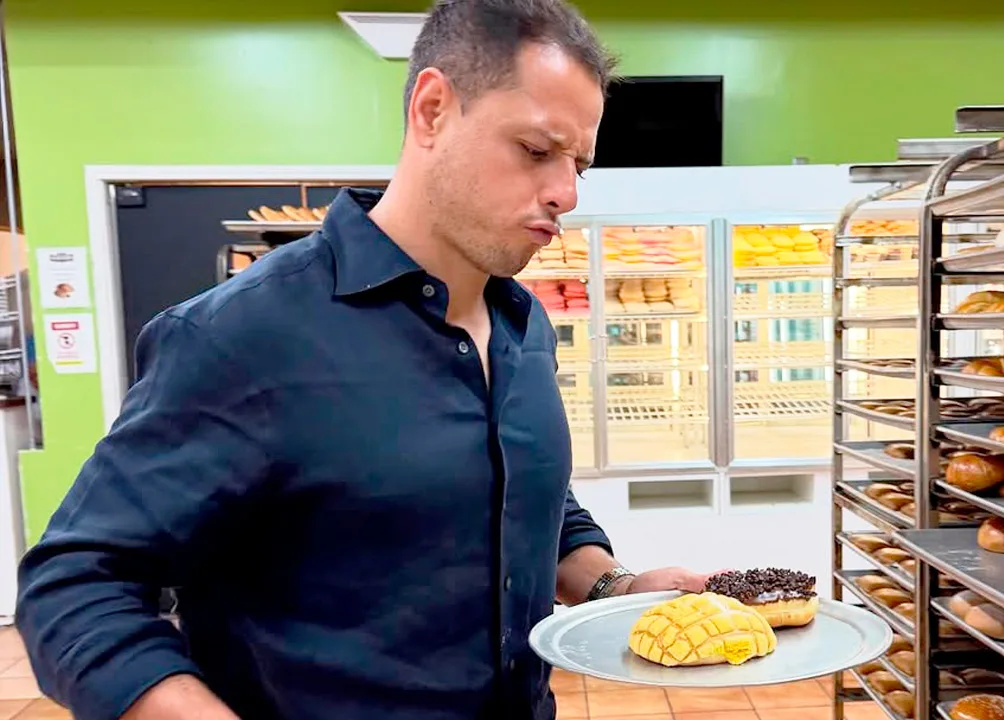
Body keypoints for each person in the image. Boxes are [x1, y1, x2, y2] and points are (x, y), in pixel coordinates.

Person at [14, 1, 715, 718]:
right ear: (433, 109)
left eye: (579, 165)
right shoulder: (243, 336)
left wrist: (617, 587)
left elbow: (526, 501)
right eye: (537, 151)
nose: (565, 192)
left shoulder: (521, 322)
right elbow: (75, 586)